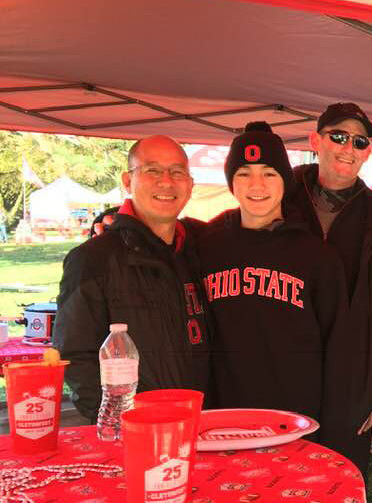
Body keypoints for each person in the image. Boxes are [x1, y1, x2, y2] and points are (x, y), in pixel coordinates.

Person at [287, 102, 372, 477]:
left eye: (359, 142)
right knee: (281, 484)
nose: (348, 148)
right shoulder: (280, 203)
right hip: (286, 373)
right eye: (338, 137)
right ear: (315, 140)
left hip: (351, 381)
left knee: (337, 482)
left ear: (368, 152)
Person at [197, 122, 346, 425]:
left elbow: (339, 342)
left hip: (295, 415)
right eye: (243, 174)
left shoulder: (317, 256)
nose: (257, 185)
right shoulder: (206, 247)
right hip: (224, 413)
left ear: (284, 181)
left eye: (269, 173)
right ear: (231, 182)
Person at [54, 135, 211, 420]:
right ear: (127, 181)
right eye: (152, 170)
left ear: (190, 184)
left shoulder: (203, 250)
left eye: (177, 172)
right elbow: (75, 355)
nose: (166, 181)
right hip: (136, 430)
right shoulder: (93, 259)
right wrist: (117, 422)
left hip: (205, 424)